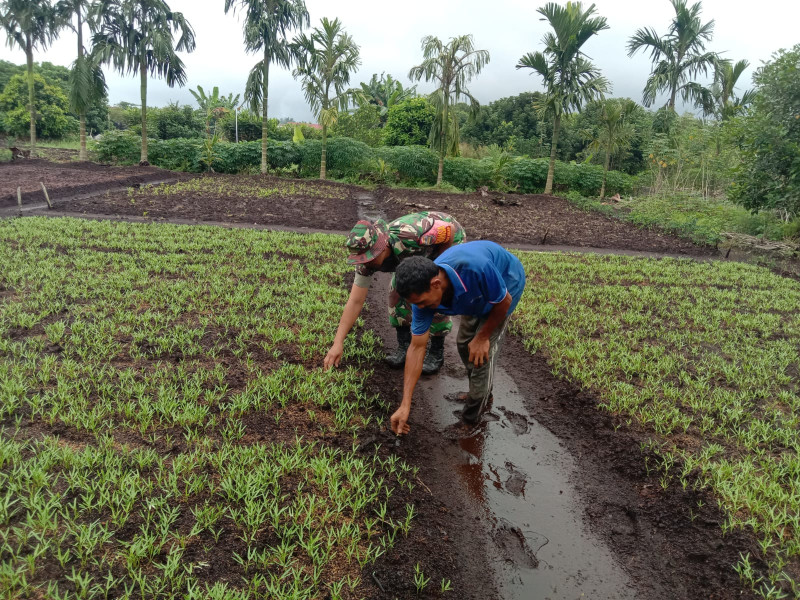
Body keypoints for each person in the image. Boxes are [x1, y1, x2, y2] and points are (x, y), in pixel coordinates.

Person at [389, 241, 526, 435]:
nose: (419, 309)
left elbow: (504, 301)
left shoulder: (476, 269)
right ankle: (479, 391)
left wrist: (483, 337)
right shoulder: (423, 297)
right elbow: (417, 347)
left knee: (481, 357)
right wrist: (405, 404)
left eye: (420, 303)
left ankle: (471, 419)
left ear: (436, 284)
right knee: (464, 344)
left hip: (505, 283)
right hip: (472, 294)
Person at [324, 212, 466, 374]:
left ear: (382, 247)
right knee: (396, 293)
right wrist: (338, 343)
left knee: (431, 295)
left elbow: (450, 229)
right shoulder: (365, 260)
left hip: (446, 241)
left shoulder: (411, 235)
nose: (366, 263)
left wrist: (438, 267)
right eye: (362, 259)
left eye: (369, 258)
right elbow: (355, 301)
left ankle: (436, 352)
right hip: (414, 256)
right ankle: (405, 346)